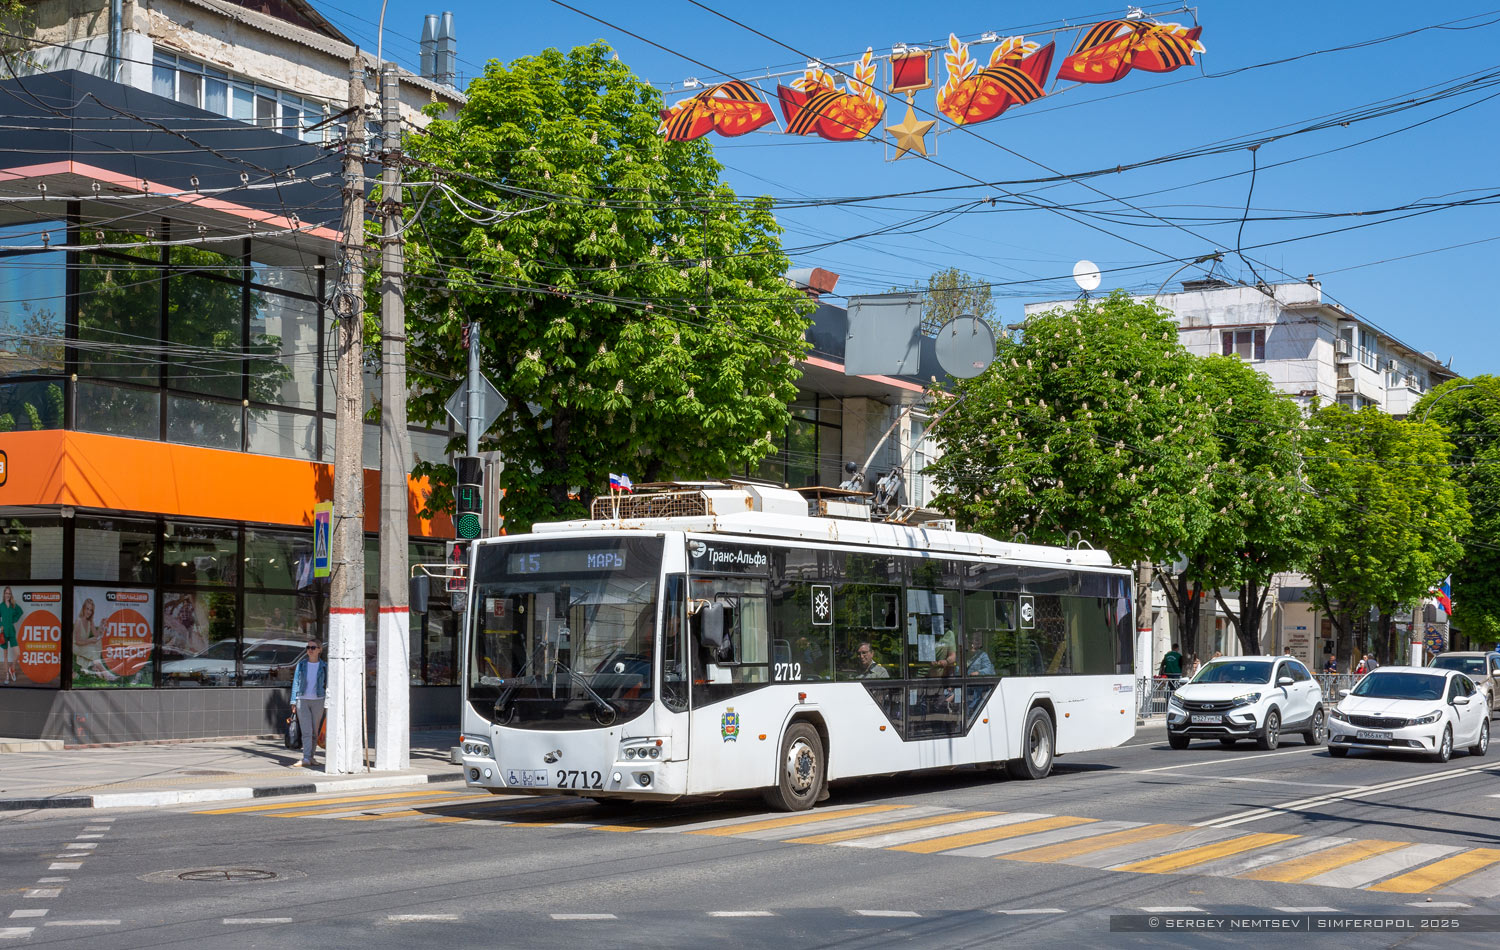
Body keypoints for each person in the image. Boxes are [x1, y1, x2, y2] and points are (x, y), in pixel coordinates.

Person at [289, 640, 327, 767]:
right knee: (306, 730)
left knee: (314, 732)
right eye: (308, 647)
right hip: (302, 700)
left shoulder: (324, 666)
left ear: (319, 650)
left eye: (313, 647)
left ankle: (311, 757)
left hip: (318, 700)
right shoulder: (301, 665)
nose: (310, 649)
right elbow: (296, 682)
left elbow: (327, 684)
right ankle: (305, 758)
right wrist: (293, 701)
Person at [72, 598, 118, 682]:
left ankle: (96, 667)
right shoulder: (79, 621)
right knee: (92, 649)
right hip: (76, 646)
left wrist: (101, 624)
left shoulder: (90, 621)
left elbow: (97, 635)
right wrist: (90, 641)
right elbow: (78, 642)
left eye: (91, 610)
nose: (89, 612)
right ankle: (106, 673)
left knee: (98, 642)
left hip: (84, 643)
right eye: (87, 609)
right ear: (83, 608)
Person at [0, 587, 20, 684]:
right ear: (4, 594)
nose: (7, 595)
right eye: (6, 593)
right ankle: (7, 676)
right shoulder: (1, 606)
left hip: (11, 632)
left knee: (17, 653)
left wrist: (13, 620)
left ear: (10, 594)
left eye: (9, 593)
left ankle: (12, 668)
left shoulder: (13, 605)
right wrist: (1, 626)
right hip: (3, 633)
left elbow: (20, 612)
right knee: (5, 655)